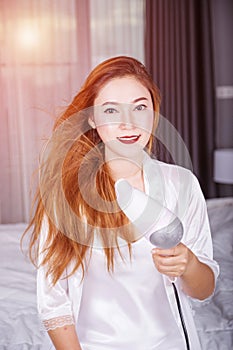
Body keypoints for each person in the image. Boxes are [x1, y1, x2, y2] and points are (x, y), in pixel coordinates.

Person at [25, 56, 219, 350]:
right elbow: (53, 303)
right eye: (111, 110)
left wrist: (189, 264)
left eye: (140, 107)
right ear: (91, 118)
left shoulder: (182, 184)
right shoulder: (67, 192)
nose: (128, 124)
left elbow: (203, 291)